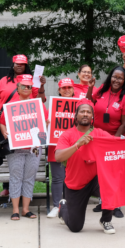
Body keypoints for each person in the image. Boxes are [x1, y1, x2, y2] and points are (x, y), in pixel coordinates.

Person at [55, 99, 116, 234]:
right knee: (75, 227)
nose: (85, 114)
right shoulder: (67, 135)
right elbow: (58, 157)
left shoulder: (100, 133)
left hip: (95, 180)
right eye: (82, 111)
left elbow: (118, 144)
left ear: (92, 117)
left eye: (88, 112)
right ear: (76, 116)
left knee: (110, 185)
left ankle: (106, 219)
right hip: (76, 184)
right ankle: (63, 208)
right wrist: (77, 144)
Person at [0, 54, 46, 197]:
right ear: (13, 65)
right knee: (9, 152)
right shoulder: (4, 81)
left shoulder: (32, 81)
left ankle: (21, 191)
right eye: (17, 63)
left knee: (24, 155)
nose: (19, 66)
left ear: (26, 65)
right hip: (5, 123)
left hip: (26, 124)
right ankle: (9, 187)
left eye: (22, 64)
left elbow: (39, 102)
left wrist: (41, 85)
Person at [86, 66, 125, 218]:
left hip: (115, 138)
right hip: (98, 137)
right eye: (115, 76)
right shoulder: (101, 90)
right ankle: (104, 202)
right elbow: (88, 102)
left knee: (115, 173)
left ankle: (116, 205)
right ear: (110, 76)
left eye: (120, 78)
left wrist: (113, 141)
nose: (117, 80)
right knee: (101, 172)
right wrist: (90, 88)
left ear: (124, 81)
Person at [0, 75, 49, 221]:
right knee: (16, 177)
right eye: (23, 86)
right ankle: (15, 209)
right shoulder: (10, 105)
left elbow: (45, 122)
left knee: (29, 177)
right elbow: (2, 123)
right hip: (16, 147)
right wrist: (4, 131)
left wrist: (46, 124)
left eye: (29, 86)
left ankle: (26, 209)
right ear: (18, 88)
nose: (26, 89)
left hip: (34, 147)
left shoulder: (38, 105)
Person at [46, 78, 76, 218]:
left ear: (73, 89)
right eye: (63, 88)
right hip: (56, 146)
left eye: (69, 87)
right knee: (58, 178)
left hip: (74, 147)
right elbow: (44, 125)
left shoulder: (79, 106)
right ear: (59, 90)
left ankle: (71, 205)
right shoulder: (52, 107)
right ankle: (56, 206)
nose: (67, 90)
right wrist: (47, 122)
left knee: (72, 177)